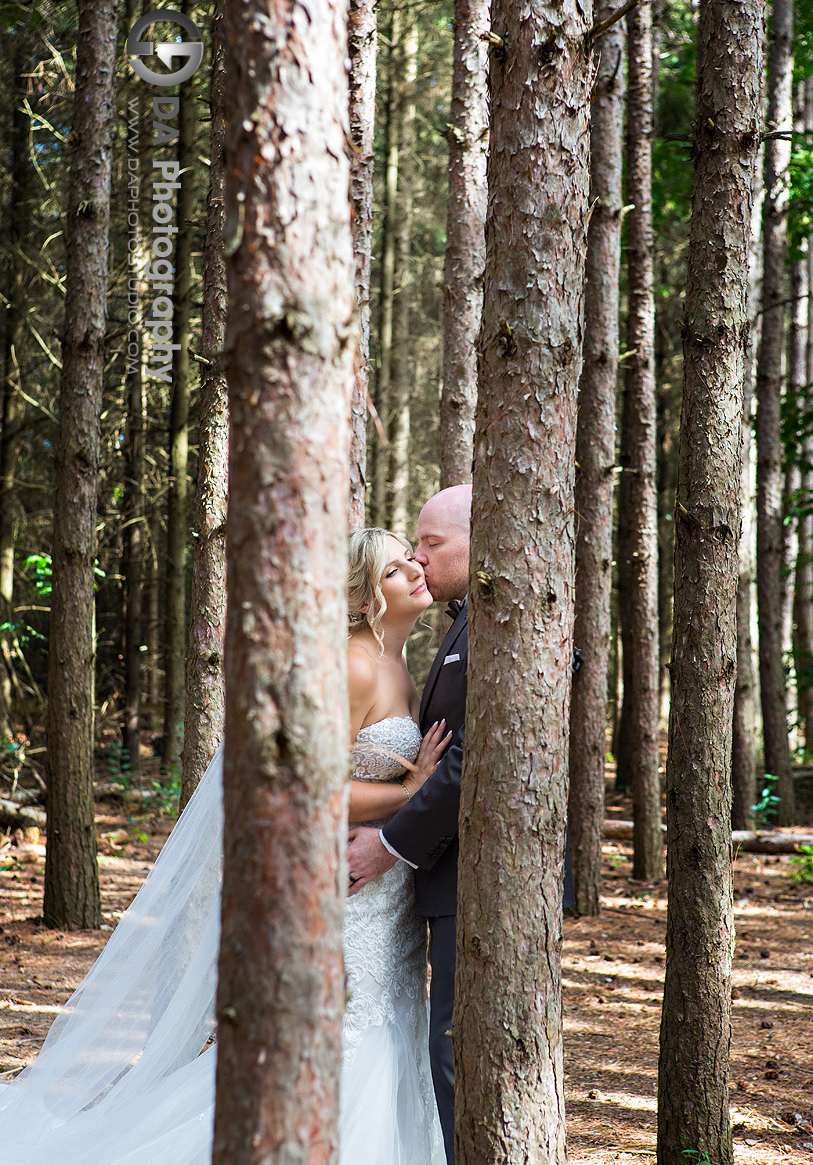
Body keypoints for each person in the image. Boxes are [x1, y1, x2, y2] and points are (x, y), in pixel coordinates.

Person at [0, 527, 449, 1165]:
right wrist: (410, 794)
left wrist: (410, 794)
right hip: (340, 890)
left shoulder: (400, 664)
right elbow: (301, 783)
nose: (414, 570)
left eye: (411, 559)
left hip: (386, 898)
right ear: (359, 598)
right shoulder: (350, 664)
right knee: (345, 1031)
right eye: (393, 570)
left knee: (390, 1018)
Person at [346, 484, 576, 1165]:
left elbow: (476, 754)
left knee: (455, 1051)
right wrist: (401, 809)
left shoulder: (497, 623)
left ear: (479, 540)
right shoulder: (436, 636)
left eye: (429, 544)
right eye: (400, 559)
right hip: (414, 878)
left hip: (466, 873)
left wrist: (392, 841)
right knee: (437, 1048)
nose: (417, 559)